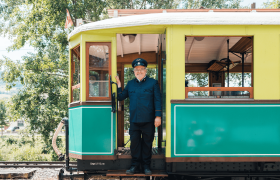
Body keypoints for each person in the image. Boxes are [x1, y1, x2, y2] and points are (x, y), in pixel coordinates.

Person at [115, 58, 162, 175]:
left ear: (145, 70)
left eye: (141, 69)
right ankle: (134, 165)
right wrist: (119, 85)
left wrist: (158, 116)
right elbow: (120, 97)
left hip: (149, 120)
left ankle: (146, 166)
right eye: (136, 69)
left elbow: (157, 100)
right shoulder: (130, 84)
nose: (139, 71)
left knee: (147, 144)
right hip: (134, 120)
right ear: (134, 71)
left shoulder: (153, 83)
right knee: (134, 144)